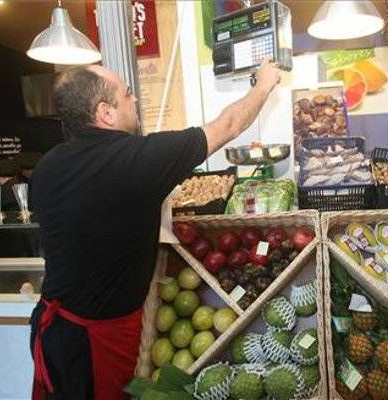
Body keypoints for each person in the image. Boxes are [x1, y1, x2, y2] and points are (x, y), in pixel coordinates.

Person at [29, 59, 281, 400]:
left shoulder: (47, 166)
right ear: (105, 113)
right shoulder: (134, 160)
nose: (135, 100)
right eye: (127, 94)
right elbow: (229, 125)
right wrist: (264, 84)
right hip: (95, 341)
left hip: (50, 325)